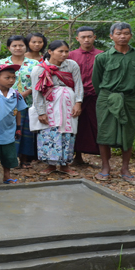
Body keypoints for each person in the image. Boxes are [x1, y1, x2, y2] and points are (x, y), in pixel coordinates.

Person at [92, 22, 135, 180]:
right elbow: (96, 80)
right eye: (118, 33)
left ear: (130, 35)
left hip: (129, 98)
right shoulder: (102, 57)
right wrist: (108, 95)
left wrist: (129, 93)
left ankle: (125, 168)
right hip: (106, 97)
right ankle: (105, 166)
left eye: (126, 33)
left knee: (128, 132)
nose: (122, 36)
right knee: (104, 131)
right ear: (111, 36)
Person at [30, 40, 83, 176]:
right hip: (49, 105)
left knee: (68, 132)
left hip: (68, 105)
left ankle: (65, 165)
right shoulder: (39, 69)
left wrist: (78, 102)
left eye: (66, 51)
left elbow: (78, 85)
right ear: (50, 51)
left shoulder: (72, 65)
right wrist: (41, 112)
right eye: (61, 51)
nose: (64, 54)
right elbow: (37, 92)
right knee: (49, 132)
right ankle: (50, 165)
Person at [0, 35, 40, 168]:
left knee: (26, 132)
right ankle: (8, 161)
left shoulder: (34, 64)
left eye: (21, 45)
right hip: (6, 103)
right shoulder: (1, 63)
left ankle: (25, 159)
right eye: (14, 45)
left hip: (28, 102)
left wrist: (27, 93)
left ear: (26, 47)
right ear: (9, 47)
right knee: (9, 130)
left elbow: (39, 82)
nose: (18, 48)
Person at [68, 26, 104, 166]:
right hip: (76, 96)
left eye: (89, 36)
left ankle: (103, 157)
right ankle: (77, 156)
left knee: (97, 125)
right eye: (83, 37)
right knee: (77, 126)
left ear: (94, 37)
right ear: (77, 39)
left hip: (96, 96)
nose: (86, 39)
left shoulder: (102, 55)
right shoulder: (71, 55)